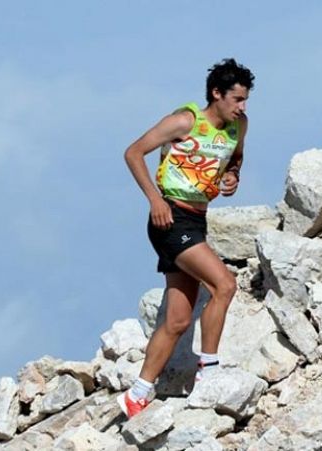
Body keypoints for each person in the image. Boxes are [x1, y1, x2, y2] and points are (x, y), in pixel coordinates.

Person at [117, 58, 254, 418]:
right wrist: (154, 198)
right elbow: (133, 153)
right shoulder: (185, 121)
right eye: (236, 99)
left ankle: (137, 394)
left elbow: (235, 159)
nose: (242, 107)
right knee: (224, 285)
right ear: (216, 94)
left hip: (198, 219)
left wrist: (233, 177)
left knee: (178, 320)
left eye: (245, 100)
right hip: (170, 219)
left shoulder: (238, 126)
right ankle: (208, 372)